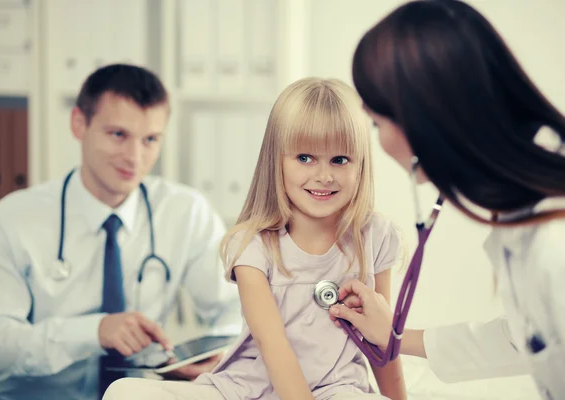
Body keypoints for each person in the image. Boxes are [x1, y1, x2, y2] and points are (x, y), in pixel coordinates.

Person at [102, 77, 408, 400]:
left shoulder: (374, 236)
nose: (324, 175)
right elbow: (271, 344)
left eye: (340, 159)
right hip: (252, 386)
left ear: (361, 164)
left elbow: (382, 339)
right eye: (305, 158)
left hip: (338, 389)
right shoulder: (253, 244)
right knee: (123, 392)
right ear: (277, 160)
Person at [328, 1, 565, 399]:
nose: (379, 142)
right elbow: (529, 337)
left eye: (377, 123)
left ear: (423, 119)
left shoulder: (553, 241)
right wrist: (397, 336)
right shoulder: (526, 202)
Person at [0, 64, 241, 400]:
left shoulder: (186, 212)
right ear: (79, 124)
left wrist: (219, 358)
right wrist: (93, 331)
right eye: (118, 135)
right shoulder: (13, 219)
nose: (134, 157)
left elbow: (238, 313)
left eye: (150, 139)